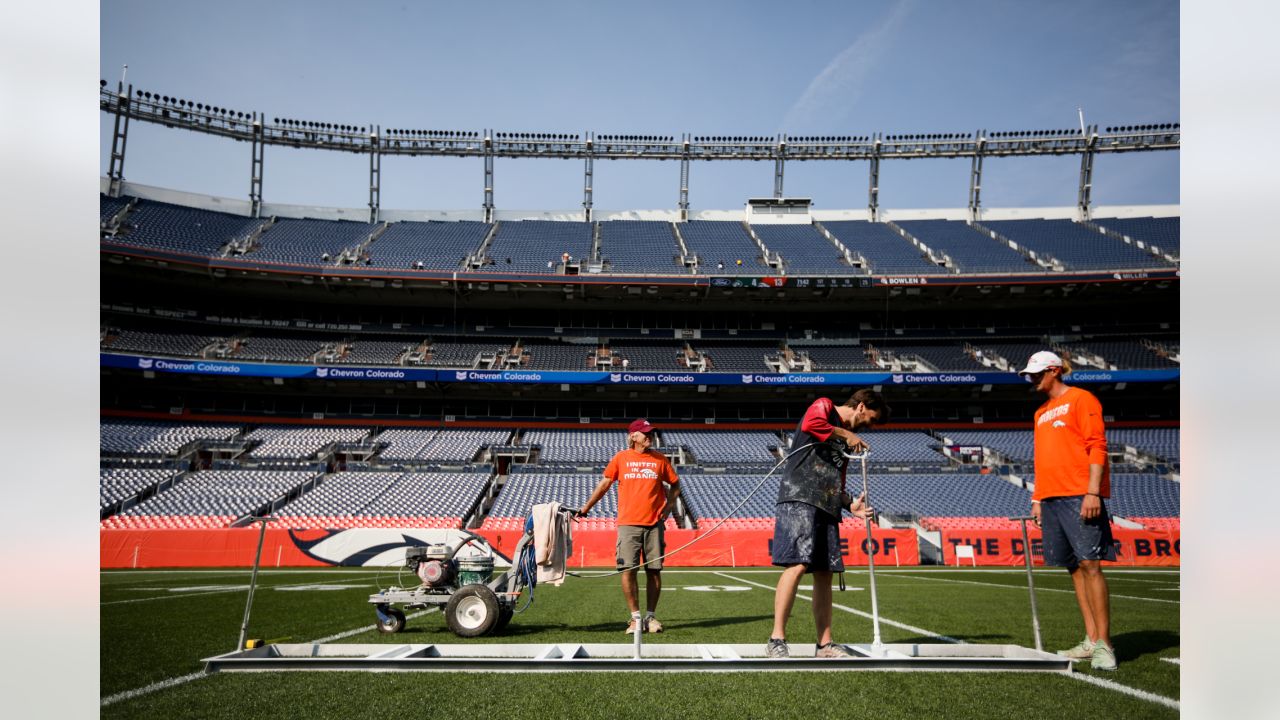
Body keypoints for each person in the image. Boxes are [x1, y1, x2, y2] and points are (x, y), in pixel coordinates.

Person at [768, 389, 890, 658]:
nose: (869, 426)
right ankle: (777, 639)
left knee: (824, 572)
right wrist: (846, 433)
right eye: (870, 418)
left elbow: (836, 480)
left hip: (827, 504)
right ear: (860, 407)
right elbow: (812, 424)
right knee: (797, 564)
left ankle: (824, 644)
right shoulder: (824, 406)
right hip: (799, 497)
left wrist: (850, 505)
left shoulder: (846, 441)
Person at [1020, 350, 1118, 671]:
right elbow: (1042, 458)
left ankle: (1105, 644)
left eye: (1037, 373)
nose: (1031, 378)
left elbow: (1096, 445)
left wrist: (1093, 491)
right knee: (1073, 567)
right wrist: (1037, 498)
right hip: (1050, 497)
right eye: (1030, 374)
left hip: (1079, 493)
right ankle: (1090, 639)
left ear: (1054, 371)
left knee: (1091, 564)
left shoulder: (1082, 399)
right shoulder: (1040, 413)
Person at [579, 418, 681, 634]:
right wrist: (586, 507)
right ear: (633, 436)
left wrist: (668, 507)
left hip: (654, 525)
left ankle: (651, 618)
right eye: (645, 433)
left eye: (651, 433)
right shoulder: (621, 458)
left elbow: (675, 484)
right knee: (628, 570)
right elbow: (605, 483)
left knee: (654, 571)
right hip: (628, 524)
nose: (649, 436)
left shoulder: (660, 459)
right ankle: (635, 619)